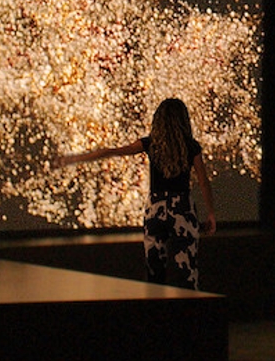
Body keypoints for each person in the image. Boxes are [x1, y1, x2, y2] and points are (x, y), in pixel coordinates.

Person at [55, 98, 216, 290]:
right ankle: (190, 315)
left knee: (154, 271)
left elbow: (113, 151)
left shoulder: (151, 143)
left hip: (156, 209)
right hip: (182, 208)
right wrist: (211, 212)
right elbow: (203, 181)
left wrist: (77, 158)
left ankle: (154, 314)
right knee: (188, 271)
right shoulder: (191, 146)